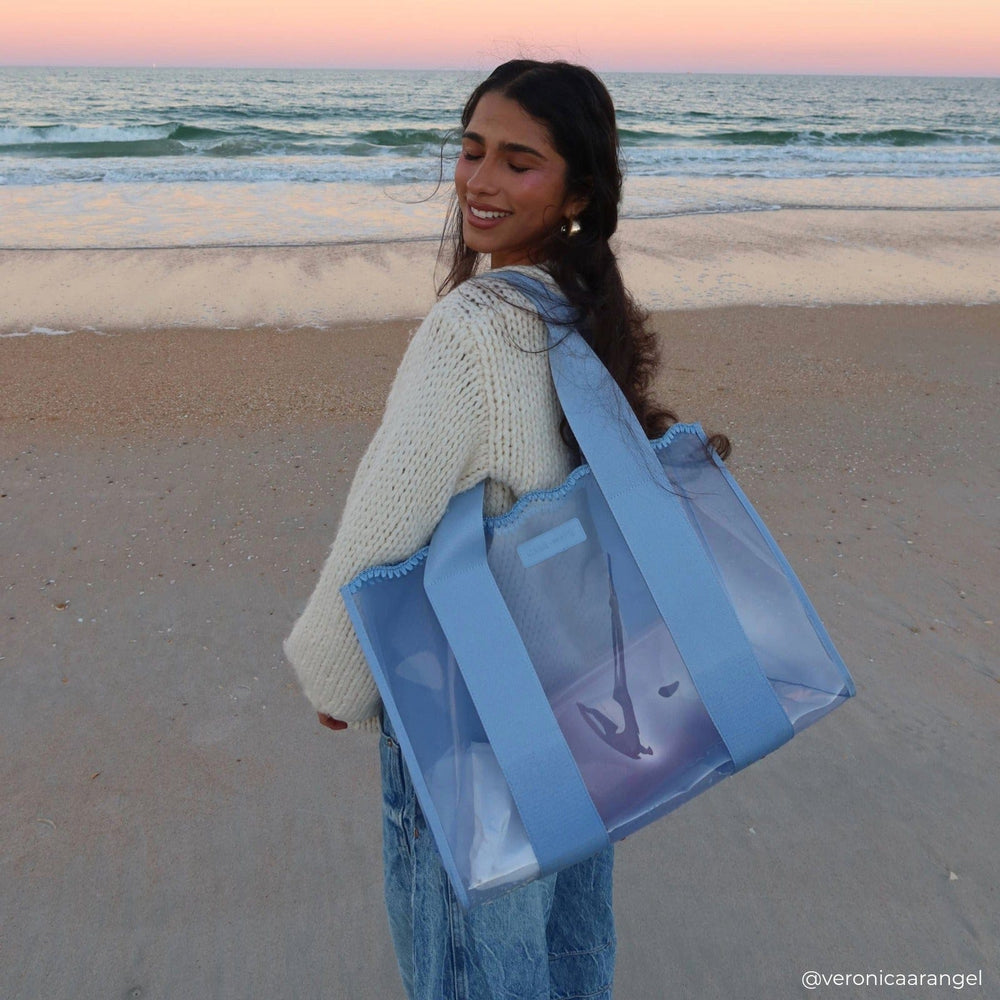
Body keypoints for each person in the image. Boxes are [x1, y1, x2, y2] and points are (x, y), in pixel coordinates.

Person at [285, 59, 691, 1000]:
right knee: (565, 955)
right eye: (471, 151)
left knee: (473, 971)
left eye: (519, 162)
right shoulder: (583, 315)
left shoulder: (472, 324)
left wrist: (338, 675)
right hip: (583, 692)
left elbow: (386, 519)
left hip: (475, 708)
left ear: (577, 190)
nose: (479, 181)